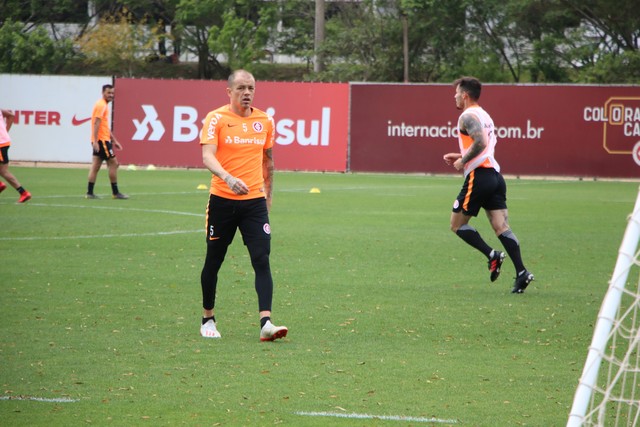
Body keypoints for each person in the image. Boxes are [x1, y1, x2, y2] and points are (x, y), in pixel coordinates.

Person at [198, 69, 288, 340]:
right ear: (229, 92)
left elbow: (268, 161)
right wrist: (227, 176)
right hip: (222, 200)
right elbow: (207, 156)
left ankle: (266, 324)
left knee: (262, 259)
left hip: (254, 203)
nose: (247, 93)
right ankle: (208, 318)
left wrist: (267, 198)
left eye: (251, 88)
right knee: (214, 260)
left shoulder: (265, 121)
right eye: (241, 88)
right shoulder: (216, 119)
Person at [443, 76, 534, 294]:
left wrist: (462, 161)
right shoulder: (485, 115)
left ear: (464, 95)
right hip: (495, 177)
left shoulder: (467, 116)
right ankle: (522, 272)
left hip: (479, 176)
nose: (454, 97)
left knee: (456, 225)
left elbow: (480, 142)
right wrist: (462, 154)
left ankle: (492, 254)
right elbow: (485, 145)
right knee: (501, 227)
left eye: (456, 93)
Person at [86, 84, 128, 199]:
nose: (111, 95)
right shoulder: (102, 105)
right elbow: (97, 124)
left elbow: (104, 126)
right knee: (114, 163)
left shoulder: (102, 104)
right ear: (103, 93)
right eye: (108, 93)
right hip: (101, 141)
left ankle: (89, 193)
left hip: (101, 140)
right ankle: (115, 193)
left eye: (112, 93)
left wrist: (114, 140)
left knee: (95, 166)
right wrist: (95, 141)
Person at [0, 109, 31, 203]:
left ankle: (23, 192)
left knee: (3, 171)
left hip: (0, 143)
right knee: (3, 171)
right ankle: (23, 193)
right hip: (4, 142)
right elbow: (11, 115)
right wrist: (5, 132)